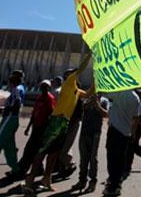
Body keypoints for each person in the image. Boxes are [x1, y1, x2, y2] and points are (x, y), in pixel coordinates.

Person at [24, 53, 95, 193]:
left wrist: (96, 80)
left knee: (54, 153)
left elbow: (87, 94)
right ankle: (30, 179)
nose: (74, 74)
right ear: (67, 77)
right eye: (71, 73)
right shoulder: (68, 83)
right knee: (43, 150)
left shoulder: (75, 90)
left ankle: (47, 179)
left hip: (64, 122)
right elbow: (80, 69)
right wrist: (90, 55)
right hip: (57, 120)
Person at [11, 79, 56, 178]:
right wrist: (28, 127)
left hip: (42, 128)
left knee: (32, 149)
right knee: (32, 149)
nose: (43, 88)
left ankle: (22, 169)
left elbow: (51, 113)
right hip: (36, 126)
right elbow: (34, 113)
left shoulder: (50, 98)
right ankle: (36, 168)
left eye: (45, 86)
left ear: (49, 88)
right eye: (42, 86)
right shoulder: (39, 97)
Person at [103, 90, 141, 196]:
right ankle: (117, 183)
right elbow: (135, 117)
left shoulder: (119, 93)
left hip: (114, 130)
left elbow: (105, 92)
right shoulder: (136, 98)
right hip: (125, 132)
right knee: (120, 159)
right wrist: (132, 133)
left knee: (111, 158)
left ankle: (112, 185)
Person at [73, 94, 108, 193]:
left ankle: (92, 182)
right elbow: (82, 108)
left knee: (93, 158)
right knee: (83, 158)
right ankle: (82, 180)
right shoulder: (88, 98)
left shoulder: (104, 101)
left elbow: (105, 114)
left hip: (95, 133)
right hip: (84, 132)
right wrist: (90, 102)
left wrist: (97, 105)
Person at [124, 89, 141, 179]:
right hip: (136, 126)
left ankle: (127, 167)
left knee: (131, 147)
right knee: (133, 146)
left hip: (137, 127)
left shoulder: (140, 103)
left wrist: (133, 130)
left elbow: (137, 117)